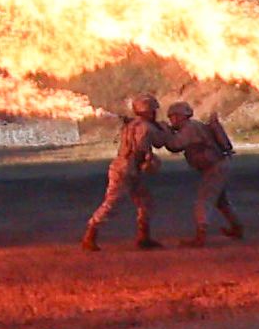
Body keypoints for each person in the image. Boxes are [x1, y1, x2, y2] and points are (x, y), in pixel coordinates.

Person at [83, 94, 167, 250]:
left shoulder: (132, 124)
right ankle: (90, 234)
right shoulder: (146, 127)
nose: (155, 113)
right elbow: (159, 142)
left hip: (128, 167)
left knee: (145, 202)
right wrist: (163, 129)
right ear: (147, 111)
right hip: (126, 168)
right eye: (153, 111)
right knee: (112, 204)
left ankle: (143, 238)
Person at [159, 98, 243, 241]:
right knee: (220, 201)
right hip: (218, 165)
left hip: (215, 166)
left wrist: (165, 131)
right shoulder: (193, 126)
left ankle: (201, 234)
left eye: (172, 117)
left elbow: (174, 145)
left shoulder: (190, 128)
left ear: (179, 116)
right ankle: (236, 227)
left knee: (204, 200)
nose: (172, 120)